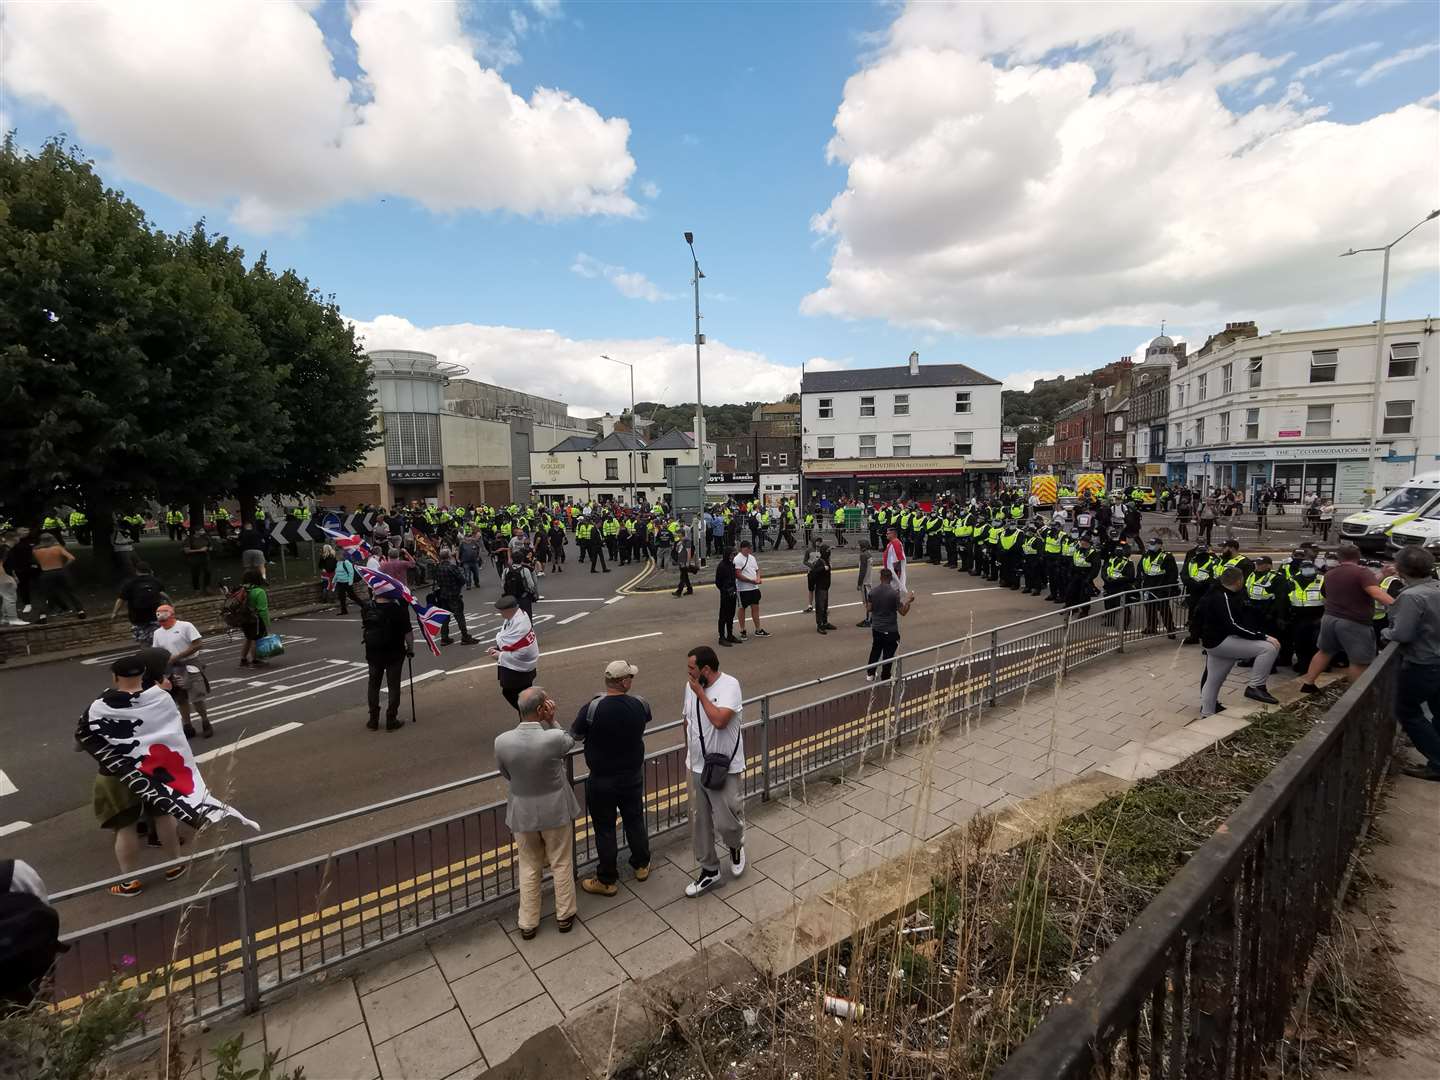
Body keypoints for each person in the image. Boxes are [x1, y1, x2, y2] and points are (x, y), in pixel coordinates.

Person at [86, 655, 187, 897]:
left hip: (117, 772)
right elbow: (175, 729)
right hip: (156, 767)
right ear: (142, 676)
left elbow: (84, 740)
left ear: (115, 677)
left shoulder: (100, 705)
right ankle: (175, 865)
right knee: (163, 816)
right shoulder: (162, 699)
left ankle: (130, 882)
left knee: (125, 825)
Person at [494, 686, 579, 938]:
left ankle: (528, 922)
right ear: (542, 709)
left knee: (529, 866)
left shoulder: (502, 741)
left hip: (522, 811)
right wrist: (553, 720)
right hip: (555, 809)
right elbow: (568, 740)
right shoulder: (552, 738)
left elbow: (506, 773)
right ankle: (564, 915)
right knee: (561, 862)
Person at [572, 660, 652, 896]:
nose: (632, 681)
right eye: (631, 677)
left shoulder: (593, 708)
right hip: (632, 776)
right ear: (623, 681)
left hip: (602, 780)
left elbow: (575, 734)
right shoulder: (640, 704)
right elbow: (646, 719)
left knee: (605, 828)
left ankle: (607, 879)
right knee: (635, 820)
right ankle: (641, 865)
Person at [682, 646, 746, 897]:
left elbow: (720, 720)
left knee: (728, 820)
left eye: (692, 669)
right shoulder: (689, 687)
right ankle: (710, 870)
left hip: (724, 768)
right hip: (696, 766)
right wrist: (688, 755)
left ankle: (735, 845)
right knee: (700, 821)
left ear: (705, 670)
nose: (688, 674)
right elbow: (686, 720)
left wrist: (701, 694)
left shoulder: (730, 685)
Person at [1299, 544, 1394, 694]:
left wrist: (1382, 574)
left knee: (1324, 651)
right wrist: (1398, 606)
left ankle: (1308, 683)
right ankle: (1355, 695)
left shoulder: (1330, 574)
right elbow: (1375, 592)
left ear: (1339, 557)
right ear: (1358, 556)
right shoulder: (1362, 572)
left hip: (1329, 619)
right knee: (1359, 660)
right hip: (1354, 622)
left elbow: (1350, 585)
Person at [1382, 547, 1440, 781]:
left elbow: (1402, 634)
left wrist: (1387, 631)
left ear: (1403, 569)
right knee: (1438, 710)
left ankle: (1437, 761)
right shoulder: (1435, 588)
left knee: (1406, 710)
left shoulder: (1411, 596)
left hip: (1423, 663)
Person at [1195, 567, 1281, 717]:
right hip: (1222, 641)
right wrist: (1262, 636)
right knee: (1269, 648)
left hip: (1212, 642)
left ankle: (1207, 713)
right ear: (1239, 581)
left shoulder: (1215, 592)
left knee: (1213, 680)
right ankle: (1255, 687)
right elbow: (1233, 625)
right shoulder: (1223, 597)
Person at [357, 580, 413, 731]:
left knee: (373, 684)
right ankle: (391, 718)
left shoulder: (367, 608)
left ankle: (373, 719)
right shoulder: (398, 609)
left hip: (373, 651)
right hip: (394, 651)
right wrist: (410, 648)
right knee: (393, 685)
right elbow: (407, 632)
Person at [151, 604, 213, 739]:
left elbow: (198, 644)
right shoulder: (157, 633)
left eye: (164, 616)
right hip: (172, 669)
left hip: (190, 665)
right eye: (159, 617)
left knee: (197, 697)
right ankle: (187, 726)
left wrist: (178, 656)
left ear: (171, 614)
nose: (162, 621)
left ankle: (205, 721)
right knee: (180, 699)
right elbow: (157, 651)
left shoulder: (185, 626)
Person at [490, 594, 539, 711]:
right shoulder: (516, 616)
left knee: (514, 694)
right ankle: (529, 715)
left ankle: (530, 715)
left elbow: (521, 650)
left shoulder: (520, 625)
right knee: (522, 695)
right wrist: (499, 647)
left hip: (518, 669)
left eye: (502, 611)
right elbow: (508, 639)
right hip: (519, 668)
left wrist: (499, 655)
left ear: (509, 610)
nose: (501, 614)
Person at [865, 568, 914, 682]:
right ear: (891, 579)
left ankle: (870, 674)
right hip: (890, 629)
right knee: (888, 654)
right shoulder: (894, 594)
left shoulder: (873, 592)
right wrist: (909, 602)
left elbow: (869, 608)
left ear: (881, 577)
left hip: (876, 628)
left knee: (875, 650)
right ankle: (885, 677)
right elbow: (903, 612)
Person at [31, 535, 86, 623]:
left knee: (44, 595)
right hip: (61, 572)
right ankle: (80, 611)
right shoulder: (58, 548)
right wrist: (64, 566)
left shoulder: (36, 550)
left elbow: (36, 562)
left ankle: (43, 616)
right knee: (70, 592)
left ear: (40, 541)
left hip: (46, 573)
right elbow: (72, 558)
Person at [112, 562, 167, 644]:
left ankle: (147, 654)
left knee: (143, 640)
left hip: (137, 617)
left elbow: (121, 599)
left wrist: (114, 613)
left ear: (136, 571)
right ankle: (159, 653)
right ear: (149, 570)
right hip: (155, 615)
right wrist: (170, 605)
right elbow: (163, 595)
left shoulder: (130, 583)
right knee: (157, 638)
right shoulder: (155, 581)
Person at [435, 548, 479, 646]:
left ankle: (444, 637)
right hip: (454, 595)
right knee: (459, 616)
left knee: (445, 617)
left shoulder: (438, 567)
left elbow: (438, 581)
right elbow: (462, 580)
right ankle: (465, 636)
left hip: (443, 595)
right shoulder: (452, 567)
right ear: (449, 556)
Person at [732, 540, 769, 639]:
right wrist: (751, 581)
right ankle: (742, 630)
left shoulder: (752, 558)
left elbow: (757, 570)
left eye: (750, 548)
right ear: (743, 548)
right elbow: (738, 574)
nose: (749, 550)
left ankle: (758, 629)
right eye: (748, 548)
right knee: (742, 609)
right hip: (743, 589)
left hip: (754, 588)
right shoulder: (737, 559)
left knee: (755, 608)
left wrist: (758, 578)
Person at [238, 569, 269, 667]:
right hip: (255, 619)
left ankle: (243, 658)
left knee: (248, 638)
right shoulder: (259, 591)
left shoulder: (243, 590)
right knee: (256, 638)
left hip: (244, 618)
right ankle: (255, 659)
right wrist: (266, 623)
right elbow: (262, 609)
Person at [715, 545, 741, 648]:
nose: (733, 556)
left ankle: (730, 635)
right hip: (725, 594)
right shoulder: (721, 566)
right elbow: (718, 582)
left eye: (734, 554)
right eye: (731, 554)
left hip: (733, 593)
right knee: (723, 616)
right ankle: (721, 637)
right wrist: (725, 590)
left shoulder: (732, 564)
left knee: (731, 615)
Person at [808, 545, 837, 634]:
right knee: (820, 607)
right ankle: (819, 625)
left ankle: (825, 622)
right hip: (820, 588)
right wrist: (823, 568)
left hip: (825, 587)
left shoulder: (826, 560)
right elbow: (812, 573)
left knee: (824, 606)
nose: (829, 552)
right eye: (827, 550)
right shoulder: (819, 562)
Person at [182, 528, 213, 593]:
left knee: (208, 572)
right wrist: (200, 550)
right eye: (201, 530)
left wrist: (208, 548)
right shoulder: (189, 539)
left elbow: (210, 546)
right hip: (194, 559)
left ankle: (207, 586)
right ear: (196, 531)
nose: (203, 532)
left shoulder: (206, 537)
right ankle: (196, 588)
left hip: (205, 558)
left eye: (203, 530)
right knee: (195, 574)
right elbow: (186, 551)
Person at [882, 524, 906, 593]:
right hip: (891, 570)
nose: (886, 535)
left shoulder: (896, 543)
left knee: (895, 587)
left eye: (887, 533)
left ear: (893, 534)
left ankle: (896, 602)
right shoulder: (891, 543)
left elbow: (898, 559)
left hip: (894, 571)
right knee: (892, 587)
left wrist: (891, 571)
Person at [333, 550, 358, 615]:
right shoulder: (338, 563)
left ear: (341, 556)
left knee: (352, 596)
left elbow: (351, 572)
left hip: (347, 582)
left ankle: (364, 606)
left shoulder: (346, 562)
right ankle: (344, 611)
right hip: (340, 582)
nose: (335, 557)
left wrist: (350, 582)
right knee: (341, 597)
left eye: (337, 556)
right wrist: (334, 580)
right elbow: (337, 572)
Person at [856, 542, 874, 627]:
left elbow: (862, 571)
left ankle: (868, 620)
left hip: (865, 582)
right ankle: (870, 619)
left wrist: (859, 583)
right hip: (869, 581)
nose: (858, 546)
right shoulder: (869, 554)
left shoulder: (863, 555)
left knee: (867, 602)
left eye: (859, 545)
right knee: (869, 601)